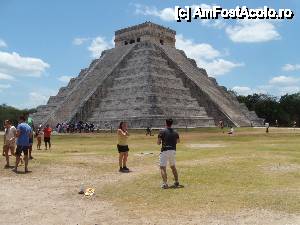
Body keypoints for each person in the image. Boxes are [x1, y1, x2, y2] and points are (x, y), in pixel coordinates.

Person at [157, 119, 180, 189]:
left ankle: (165, 184)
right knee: (173, 166)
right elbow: (178, 141)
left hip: (165, 150)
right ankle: (176, 181)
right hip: (173, 150)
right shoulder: (175, 132)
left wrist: (161, 142)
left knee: (162, 167)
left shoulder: (162, 131)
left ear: (166, 123)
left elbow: (158, 142)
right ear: (171, 123)